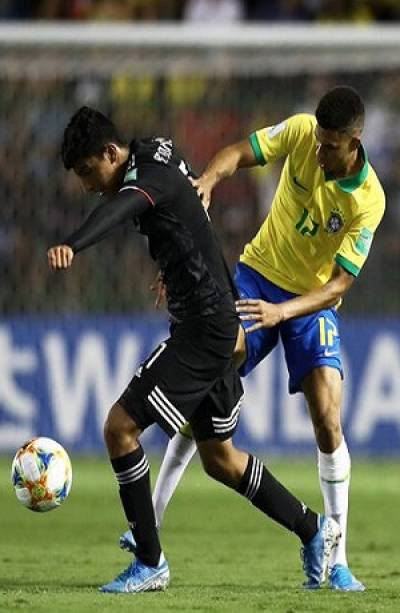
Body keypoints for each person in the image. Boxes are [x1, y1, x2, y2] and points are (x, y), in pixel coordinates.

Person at [48, 107, 340, 594]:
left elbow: (124, 207)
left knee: (119, 429)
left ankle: (150, 561)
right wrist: (182, 262)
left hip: (203, 330)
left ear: (109, 153)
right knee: (220, 459)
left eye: (86, 172)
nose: (86, 185)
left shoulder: (145, 179)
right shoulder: (157, 150)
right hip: (216, 320)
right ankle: (314, 531)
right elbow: (191, 215)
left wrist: (74, 244)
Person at [120, 86, 385, 591]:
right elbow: (242, 152)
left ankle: (338, 559)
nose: (318, 152)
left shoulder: (370, 200)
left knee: (328, 416)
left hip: (308, 301)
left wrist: (282, 312)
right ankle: (149, 528)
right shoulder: (304, 131)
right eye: (319, 141)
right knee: (203, 385)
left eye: (330, 146)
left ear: (355, 144)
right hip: (257, 276)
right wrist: (209, 179)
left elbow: (340, 285)